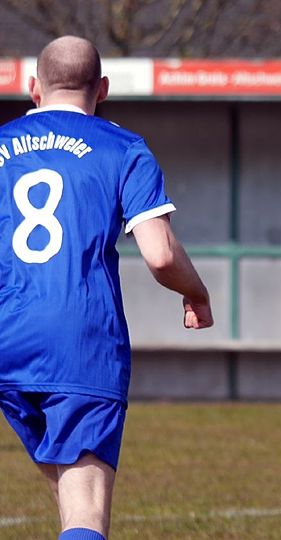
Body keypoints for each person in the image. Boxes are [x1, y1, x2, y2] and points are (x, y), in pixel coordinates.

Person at [0, 36, 213, 540]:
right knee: (85, 510)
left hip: (7, 335)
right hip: (79, 339)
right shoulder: (123, 148)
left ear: (33, 89)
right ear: (103, 89)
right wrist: (198, 293)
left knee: (66, 489)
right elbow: (161, 255)